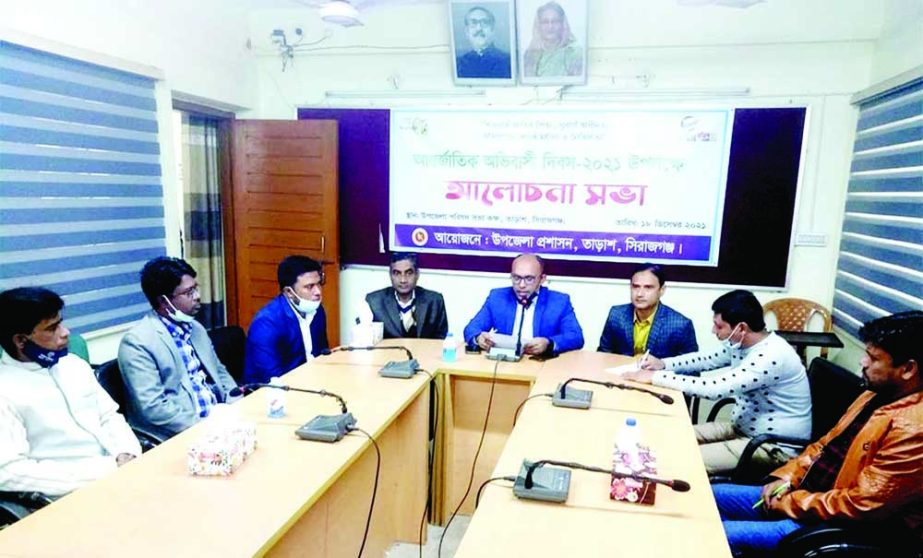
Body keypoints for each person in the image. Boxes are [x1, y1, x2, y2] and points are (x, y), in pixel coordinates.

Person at [713, 311, 923, 556]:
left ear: (908, 369)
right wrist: (787, 478)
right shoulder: (874, 396)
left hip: (836, 525)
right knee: (712, 497)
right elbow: (823, 445)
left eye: (873, 358)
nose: (862, 362)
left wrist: (792, 502)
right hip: (807, 499)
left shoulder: (914, 429)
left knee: (721, 537)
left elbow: (862, 504)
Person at [624, 290, 811, 474]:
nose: (714, 331)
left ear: (742, 328)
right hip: (743, 430)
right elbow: (706, 359)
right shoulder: (743, 344)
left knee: (677, 458)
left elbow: (714, 389)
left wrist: (654, 377)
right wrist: (663, 364)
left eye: (719, 326)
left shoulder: (772, 356)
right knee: (666, 436)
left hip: (771, 446)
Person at [0, 287, 140, 496]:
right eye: (52, 328)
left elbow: (109, 416)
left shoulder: (74, 365)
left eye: (61, 323)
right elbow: (9, 472)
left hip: (121, 473)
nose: (65, 332)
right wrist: (104, 470)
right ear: (21, 340)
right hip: (67, 493)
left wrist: (127, 453)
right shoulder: (5, 390)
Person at [119, 257, 237, 439]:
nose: (197, 296)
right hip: (181, 434)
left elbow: (219, 372)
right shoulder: (137, 343)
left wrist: (236, 403)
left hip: (220, 424)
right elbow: (154, 408)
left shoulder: (196, 328)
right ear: (164, 301)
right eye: (189, 292)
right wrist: (203, 427)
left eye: (196, 288)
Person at [463, 253, 584, 356]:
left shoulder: (559, 302)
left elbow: (576, 337)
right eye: (516, 278)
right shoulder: (497, 297)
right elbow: (471, 328)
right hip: (505, 364)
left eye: (529, 279)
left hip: (541, 366)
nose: (521, 285)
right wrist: (478, 338)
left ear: (542, 279)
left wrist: (549, 343)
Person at [245, 255, 330, 384]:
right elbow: (271, 379)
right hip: (273, 394)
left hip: (311, 383)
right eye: (309, 286)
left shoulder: (317, 311)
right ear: (289, 292)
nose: (318, 292)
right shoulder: (266, 324)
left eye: (319, 284)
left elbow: (322, 356)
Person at [598, 263, 698, 359]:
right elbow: (603, 355)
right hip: (618, 375)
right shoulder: (616, 314)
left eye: (648, 287)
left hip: (657, 376)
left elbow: (691, 371)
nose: (640, 294)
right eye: (635, 287)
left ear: (661, 290)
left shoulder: (681, 325)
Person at [364, 252, 449, 339]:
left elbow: (441, 342)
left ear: (417, 274)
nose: (403, 280)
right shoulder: (374, 302)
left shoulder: (435, 302)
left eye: (409, 273)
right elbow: (366, 340)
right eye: (397, 273)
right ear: (390, 275)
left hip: (424, 352)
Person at [522, 1, 583, 78]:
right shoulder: (530, 53)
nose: (550, 27)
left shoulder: (574, 52)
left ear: (562, 24)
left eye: (555, 21)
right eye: (545, 22)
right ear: (538, 26)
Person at [456, 6, 512, 79]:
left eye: (484, 23)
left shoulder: (507, 61)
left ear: (492, 30)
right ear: (467, 31)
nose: (479, 28)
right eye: (473, 23)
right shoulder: (459, 63)